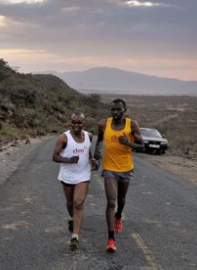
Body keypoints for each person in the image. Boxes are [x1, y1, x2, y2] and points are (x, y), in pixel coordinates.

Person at [93, 99, 144, 252]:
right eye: (112, 109)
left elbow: (142, 147)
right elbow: (100, 139)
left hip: (126, 168)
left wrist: (128, 143)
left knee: (121, 199)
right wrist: (96, 153)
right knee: (111, 201)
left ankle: (119, 215)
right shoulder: (103, 124)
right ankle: (110, 239)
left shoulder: (131, 125)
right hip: (109, 168)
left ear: (124, 110)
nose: (115, 112)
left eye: (118, 109)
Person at [52, 111, 97, 250]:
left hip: (83, 175)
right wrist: (69, 160)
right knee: (70, 203)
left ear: (84, 123)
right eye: (74, 122)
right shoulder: (63, 138)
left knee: (78, 203)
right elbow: (54, 156)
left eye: (80, 122)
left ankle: (75, 237)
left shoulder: (89, 136)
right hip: (67, 176)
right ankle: (72, 219)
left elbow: (88, 151)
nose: (77, 125)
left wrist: (92, 160)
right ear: (70, 122)